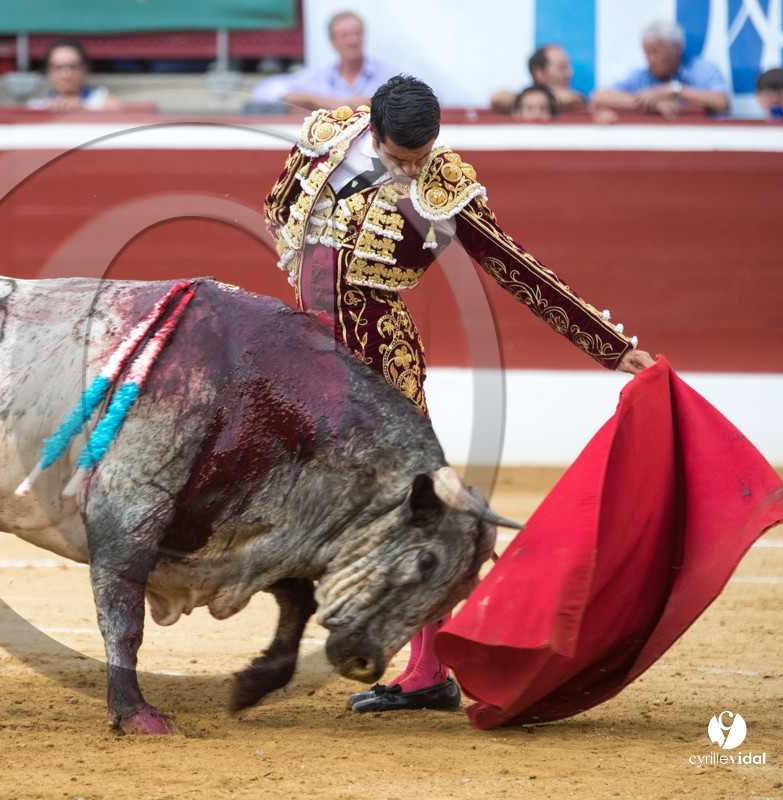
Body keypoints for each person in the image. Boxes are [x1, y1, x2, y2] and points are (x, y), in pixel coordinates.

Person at [263, 75, 655, 713]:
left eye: (420, 156)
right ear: (373, 129)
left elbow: (515, 266)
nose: (410, 169)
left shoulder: (444, 182)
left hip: (379, 357)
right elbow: (279, 207)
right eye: (399, 157)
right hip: (308, 353)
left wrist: (609, 346)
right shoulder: (328, 136)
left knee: (414, 506)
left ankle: (432, 668)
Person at [250, 11, 396, 112]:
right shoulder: (319, 76)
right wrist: (319, 101)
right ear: (332, 42)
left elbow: (409, 93)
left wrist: (372, 100)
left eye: (357, 33)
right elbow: (264, 90)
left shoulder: (386, 71)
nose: (353, 41)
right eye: (344, 35)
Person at [590, 20, 729, 120]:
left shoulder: (701, 69)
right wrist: (651, 104)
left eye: (655, 52)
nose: (650, 59)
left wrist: (674, 90)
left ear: (676, 48)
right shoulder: (641, 76)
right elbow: (599, 97)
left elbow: (722, 102)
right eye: (646, 53)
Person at [28, 40, 123, 112]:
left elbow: (116, 108)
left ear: (85, 69)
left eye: (73, 67)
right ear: (48, 71)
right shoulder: (37, 107)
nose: (66, 75)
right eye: (58, 68)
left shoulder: (102, 101)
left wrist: (83, 108)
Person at [491, 44, 585, 114]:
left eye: (543, 108)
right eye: (562, 68)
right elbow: (497, 98)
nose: (569, 73)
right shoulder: (521, 97)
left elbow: (571, 99)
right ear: (539, 73)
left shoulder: (576, 99)